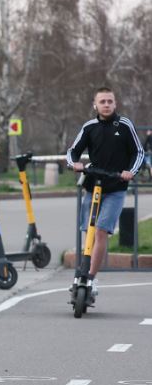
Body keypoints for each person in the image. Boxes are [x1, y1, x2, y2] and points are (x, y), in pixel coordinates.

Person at [65, 86, 144, 294]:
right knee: (89, 231)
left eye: (110, 101)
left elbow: (139, 151)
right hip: (93, 185)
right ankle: (82, 274)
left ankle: (91, 277)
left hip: (116, 187)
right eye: (102, 102)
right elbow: (73, 151)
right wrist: (74, 163)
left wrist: (130, 171)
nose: (106, 105)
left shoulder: (125, 125)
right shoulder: (90, 126)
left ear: (115, 103)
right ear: (95, 105)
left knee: (101, 231)